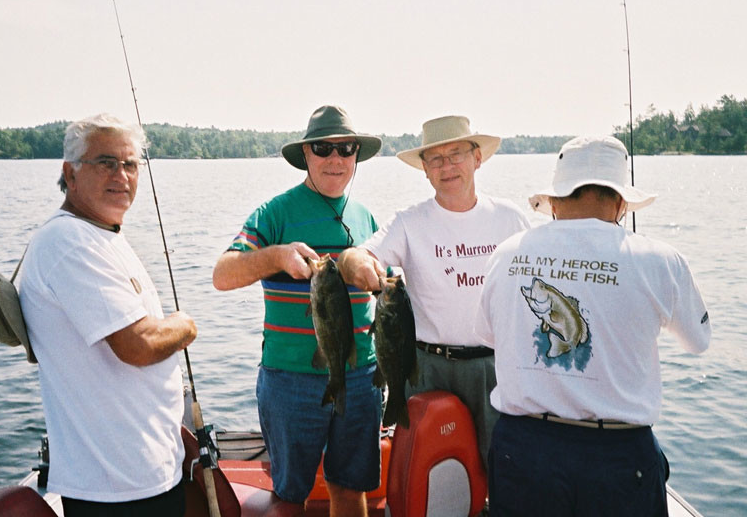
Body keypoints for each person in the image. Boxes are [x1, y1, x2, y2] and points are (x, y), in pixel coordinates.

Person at [476, 136, 711, 516]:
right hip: (618, 457)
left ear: (552, 200)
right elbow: (699, 341)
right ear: (620, 202)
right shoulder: (663, 260)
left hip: (523, 449)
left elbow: (487, 335)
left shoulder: (507, 253)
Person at [18, 114, 198, 517]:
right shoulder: (68, 241)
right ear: (71, 173)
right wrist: (185, 326)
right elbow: (138, 345)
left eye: (131, 163)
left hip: (145, 472)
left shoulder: (102, 234)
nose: (122, 174)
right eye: (106, 162)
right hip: (116, 488)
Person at [212, 105, 383, 516]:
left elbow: (392, 280)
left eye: (346, 148)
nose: (335, 159)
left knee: (350, 485)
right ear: (305, 155)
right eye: (323, 148)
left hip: (361, 377)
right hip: (290, 381)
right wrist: (276, 256)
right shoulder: (274, 213)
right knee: (290, 493)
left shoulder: (366, 217)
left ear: (357, 154)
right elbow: (223, 274)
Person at [338, 115, 530, 471]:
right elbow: (354, 256)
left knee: (503, 471)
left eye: (456, 154)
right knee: (428, 477)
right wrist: (360, 266)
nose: (447, 166)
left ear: (477, 158)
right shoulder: (409, 222)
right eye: (436, 159)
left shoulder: (511, 219)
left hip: (496, 368)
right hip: (425, 369)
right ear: (424, 169)